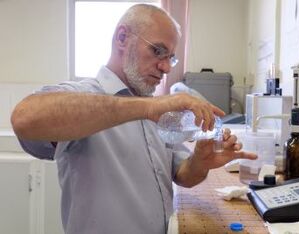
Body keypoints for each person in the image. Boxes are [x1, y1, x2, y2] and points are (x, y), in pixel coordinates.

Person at [11, 4, 257, 234]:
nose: (166, 68)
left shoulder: (155, 108)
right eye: (157, 51)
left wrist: (201, 162)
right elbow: (25, 118)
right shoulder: (87, 97)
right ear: (122, 38)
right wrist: (147, 107)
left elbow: (182, 173)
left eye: (170, 57)